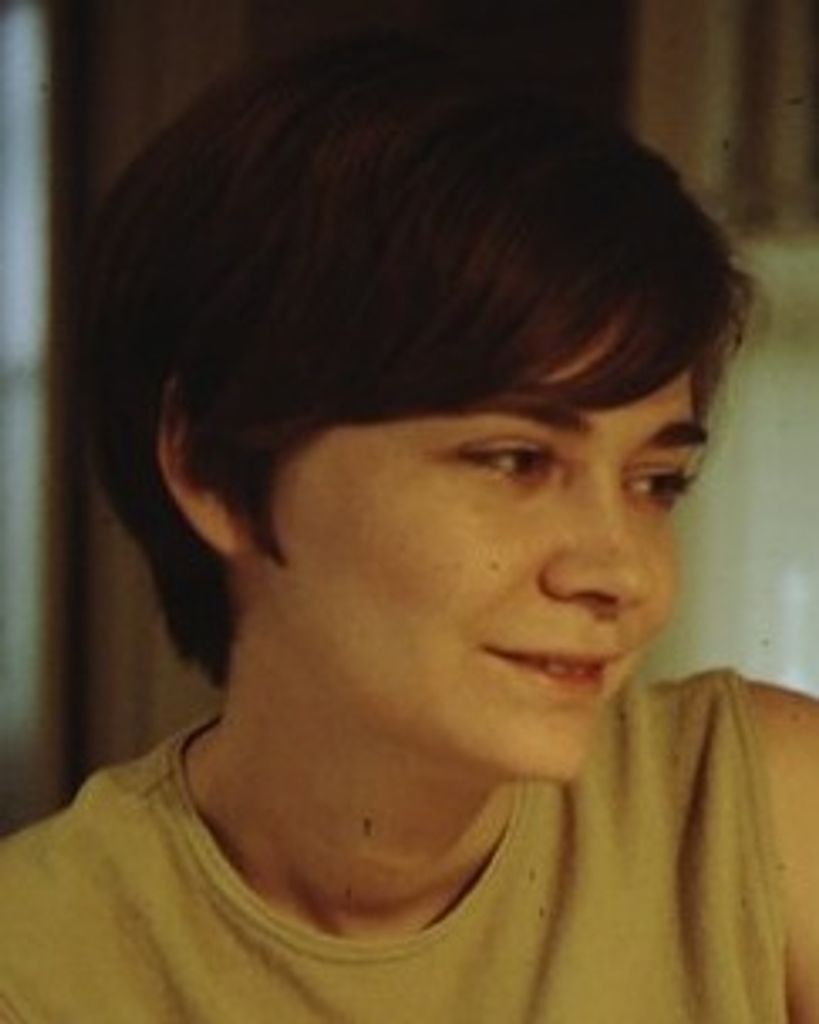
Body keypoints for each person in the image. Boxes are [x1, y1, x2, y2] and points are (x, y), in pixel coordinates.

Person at [1, 31, 817, 1023]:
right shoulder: (37, 964)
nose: (625, 574)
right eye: (513, 460)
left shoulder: (758, 812)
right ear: (212, 467)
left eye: (656, 481)